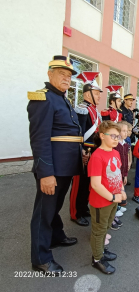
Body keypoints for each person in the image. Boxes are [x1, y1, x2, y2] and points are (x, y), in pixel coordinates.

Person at [27, 55, 81, 275]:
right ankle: (41, 257)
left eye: (69, 76)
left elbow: (68, 135)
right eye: (62, 74)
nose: (67, 79)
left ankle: (56, 236)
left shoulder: (63, 99)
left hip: (66, 167)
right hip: (52, 169)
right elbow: (39, 139)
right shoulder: (43, 99)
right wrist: (45, 173)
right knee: (44, 212)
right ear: (49, 74)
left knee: (55, 207)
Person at [88, 121, 127, 274]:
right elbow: (96, 185)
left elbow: (117, 175)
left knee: (106, 227)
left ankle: (101, 251)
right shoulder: (97, 156)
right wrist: (112, 197)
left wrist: (122, 191)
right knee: (98, 231)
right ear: (102, 136)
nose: (117, 139)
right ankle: (97, 259)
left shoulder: (115, 153)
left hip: (113, 200)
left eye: (118, 136)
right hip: (101, 202)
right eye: (113, 136)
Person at [70, 71, 103, 227]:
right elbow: (79, 133)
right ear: (87, 94)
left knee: (88, 184)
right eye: (96, 93)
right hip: (83, 154)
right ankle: (75, 213)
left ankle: (83, 208)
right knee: (78, 185)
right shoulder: (81, 109)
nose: (99, 96)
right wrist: (82, 151)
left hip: (93, 154)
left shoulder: (95, 111)